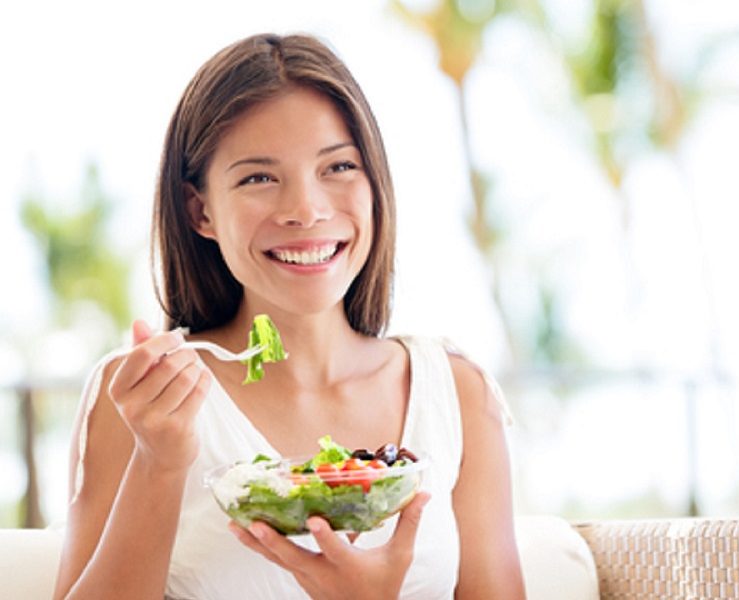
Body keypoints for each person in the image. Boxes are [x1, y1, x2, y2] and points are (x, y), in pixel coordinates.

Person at [53, 32, 525, 600]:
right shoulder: (144, 400)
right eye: (258, 177)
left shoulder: (457, 393)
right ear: (200, 211)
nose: (306, 210)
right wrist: (159, 462)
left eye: (339, 167)